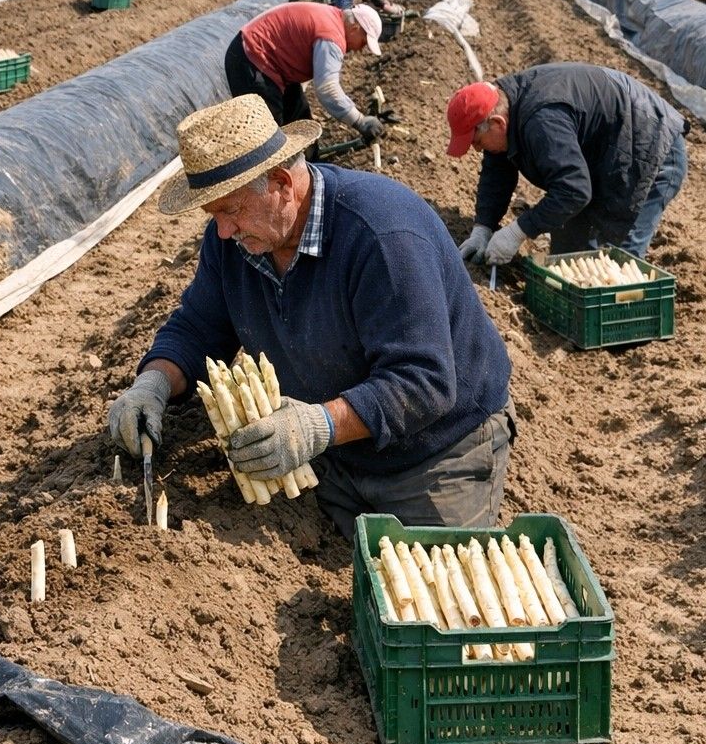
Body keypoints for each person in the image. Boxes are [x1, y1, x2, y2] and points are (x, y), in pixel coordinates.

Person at [107, 96, 514, 539]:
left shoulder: (382, 235)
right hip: (331, 454)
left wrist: (316, 425)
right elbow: (199, 327)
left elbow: (424, 381)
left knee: (431, 576)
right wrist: (154, 382)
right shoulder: (234, 241)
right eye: (213, 214)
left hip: (435, 451)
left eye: (231, 209)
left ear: (282, 183)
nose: (222, 230)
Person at [447, 64, 689, 265]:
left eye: (477, 142)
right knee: (568, 260)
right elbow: (498, 170)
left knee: (618, 265)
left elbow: (574, 190)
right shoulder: (502, 104)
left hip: (649, 148)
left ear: (498, 123)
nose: (477, 150)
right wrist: (484, 226)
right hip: (604, 153)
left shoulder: (542, 121)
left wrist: (518, 231)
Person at [225, 2, 386, 143]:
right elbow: (327, 89)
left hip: (270, 62)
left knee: (301, 124)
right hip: (252, 59)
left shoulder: (332, 17)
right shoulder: (332, 37)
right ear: (355, 28)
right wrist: (359, 121)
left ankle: (311, 163)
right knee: (270, 135)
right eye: (363, 42)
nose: (360, 49)